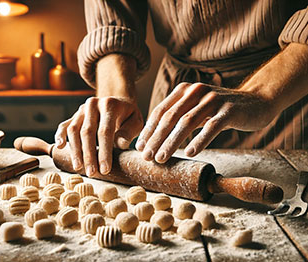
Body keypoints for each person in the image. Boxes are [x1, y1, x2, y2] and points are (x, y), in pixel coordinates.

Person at [55, 1, 308, 178]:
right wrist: (115, 94)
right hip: (177, 100)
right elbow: (113, 14)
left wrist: (261, 94)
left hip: (288, 90)